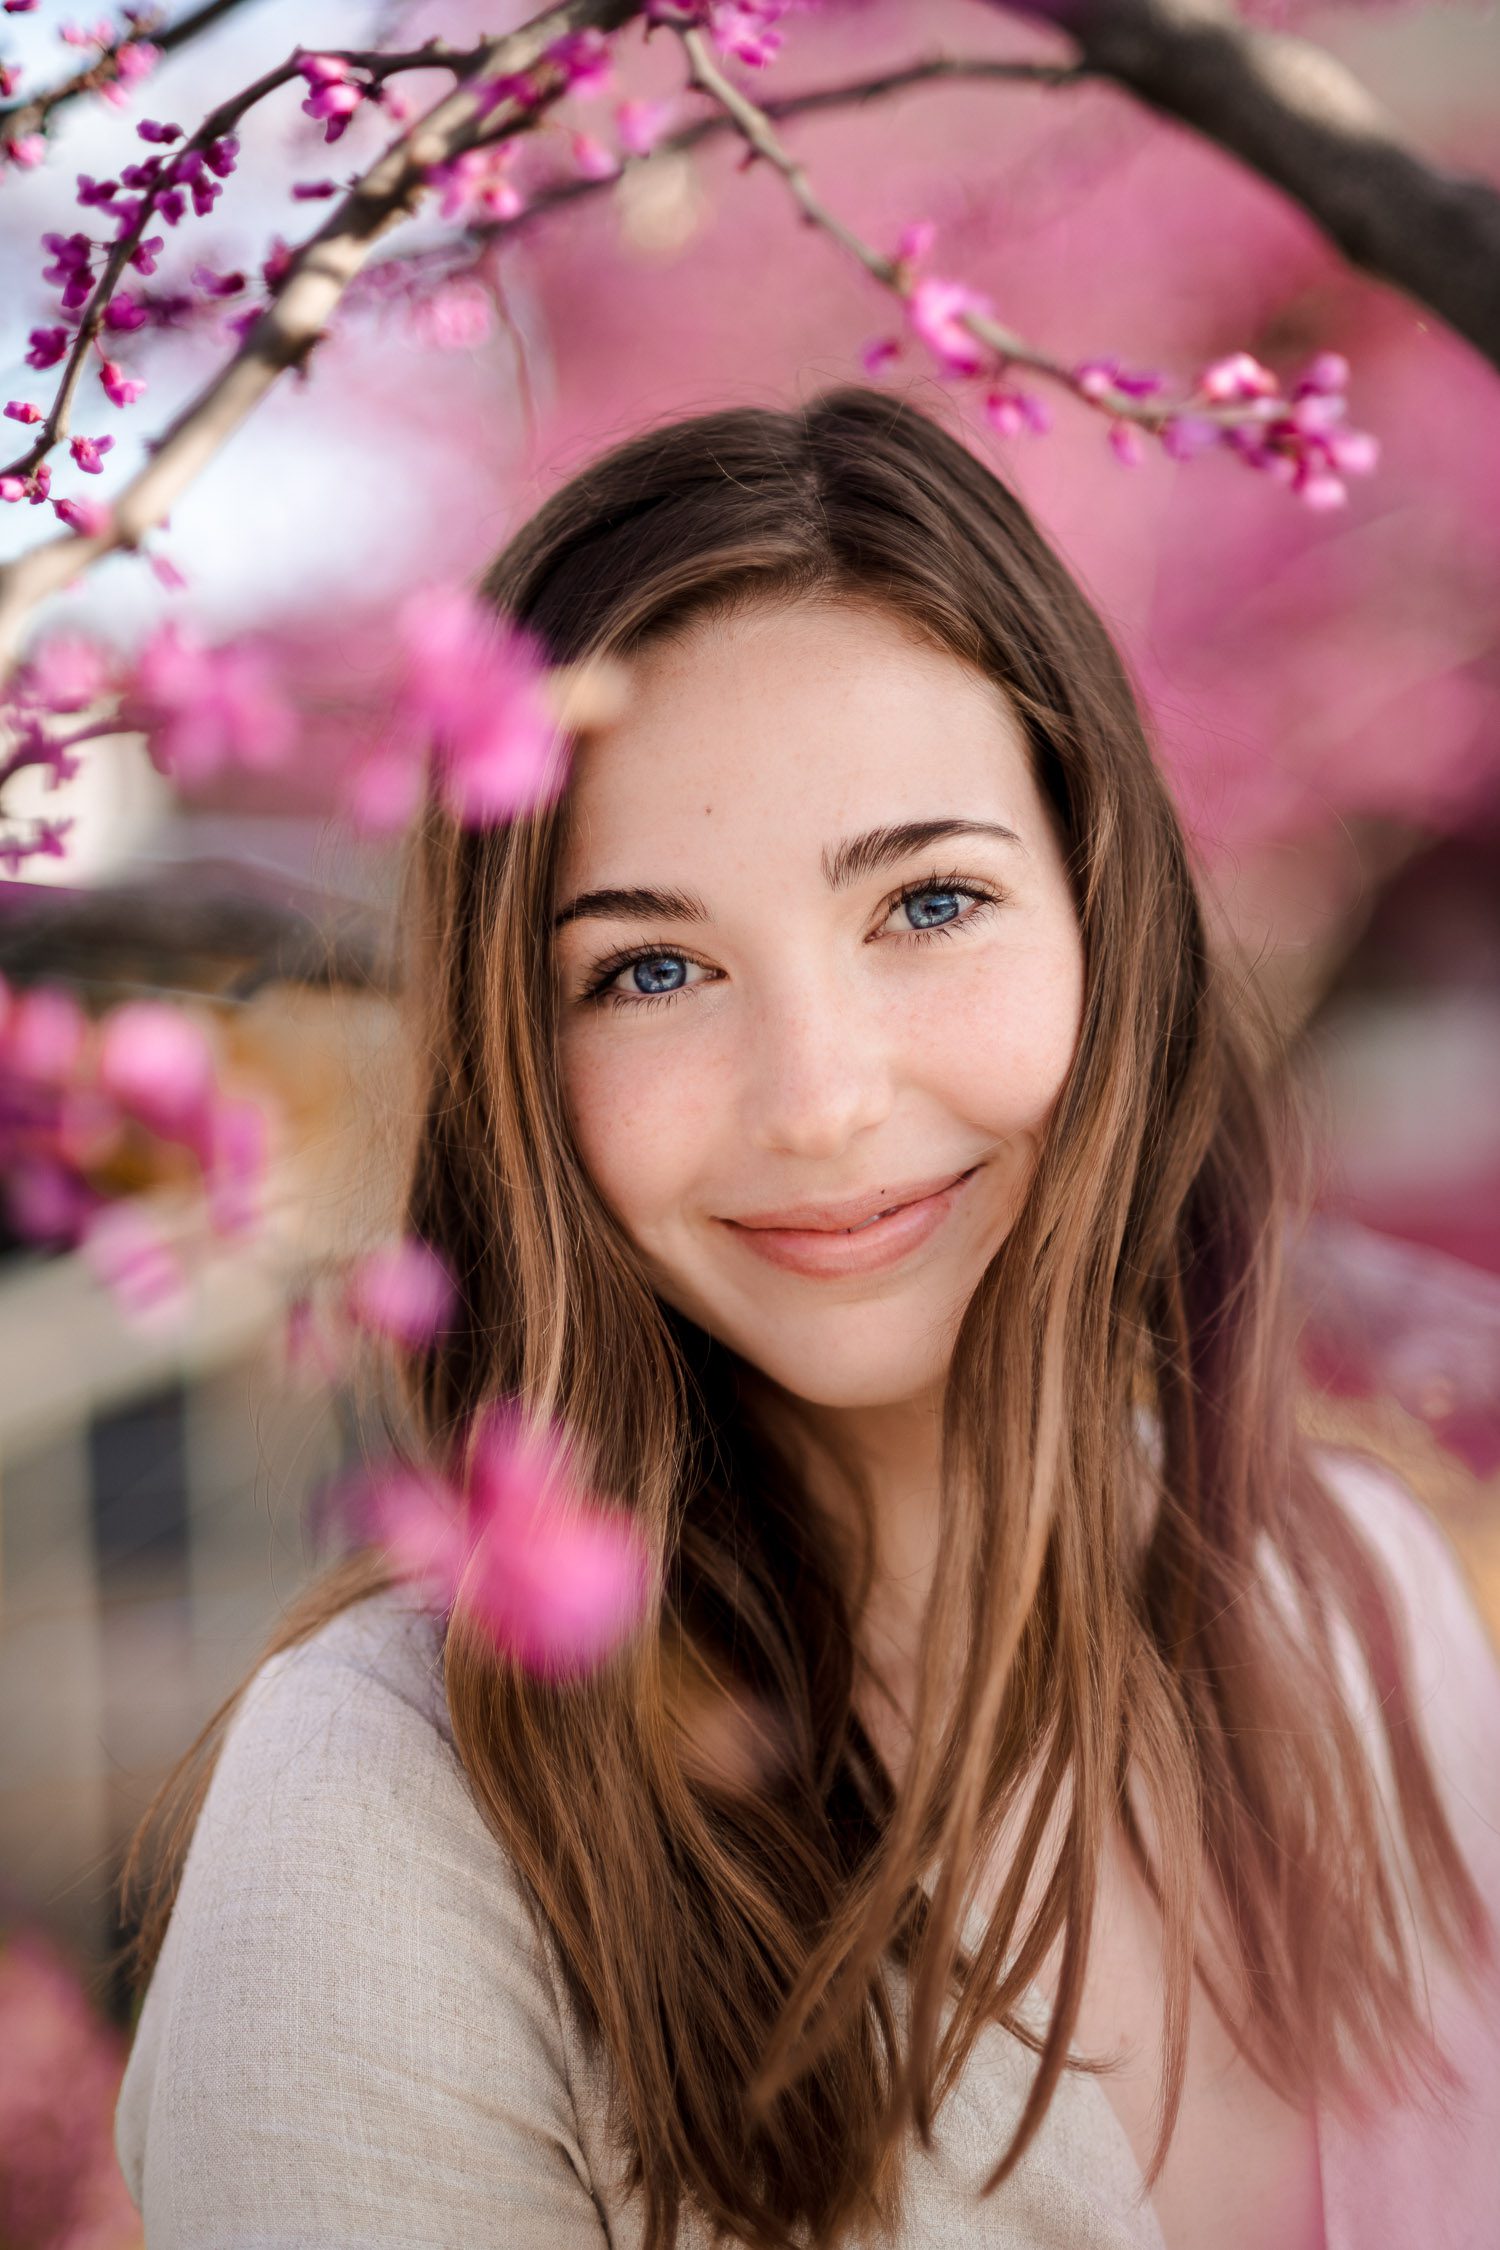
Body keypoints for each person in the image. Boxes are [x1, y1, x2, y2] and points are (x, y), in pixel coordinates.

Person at [113, 387, 1500, 2250]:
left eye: (929, 900)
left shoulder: (1357, 1603)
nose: (819, 1098)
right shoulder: (392, 1808)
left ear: (1108, 916)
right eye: (652, 967)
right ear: (524, 1062)